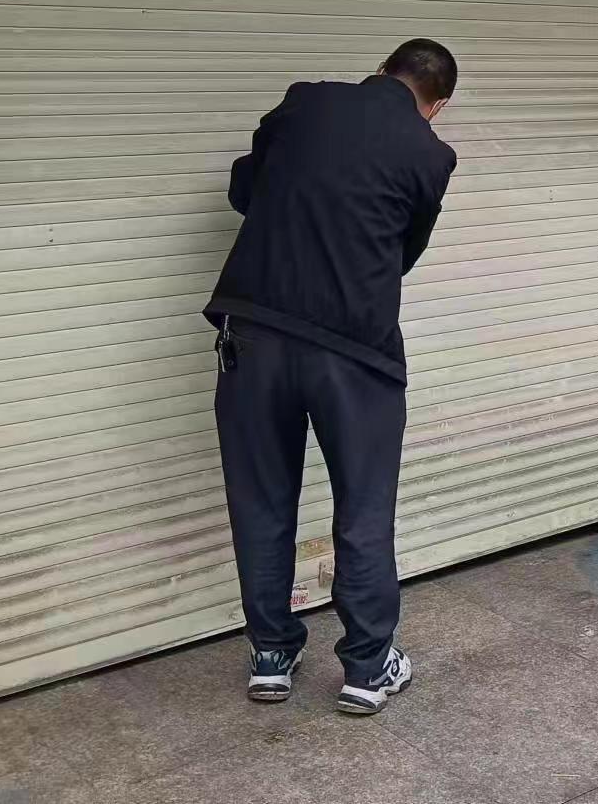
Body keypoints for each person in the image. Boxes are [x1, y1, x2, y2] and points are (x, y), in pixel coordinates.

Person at [203, 40, 458, 715]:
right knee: (364, 506)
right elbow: (401, 253)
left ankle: (270, 654)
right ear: (437, 105)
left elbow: (243, 189)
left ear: (379, 70)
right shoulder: (429, 154)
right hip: (354, 351)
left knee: (261, 499)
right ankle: (368, 668)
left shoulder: (304, 102)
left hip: (255, 332)